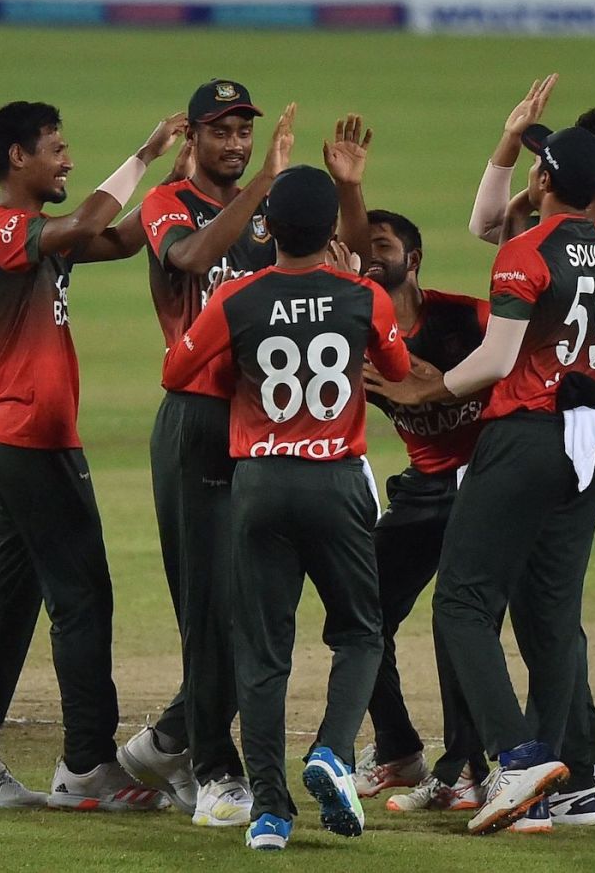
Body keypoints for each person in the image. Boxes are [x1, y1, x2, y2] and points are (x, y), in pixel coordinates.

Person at [121, 78, 372, 828]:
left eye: (244, 133)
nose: (235, 145)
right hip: (199, 419)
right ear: (192, 138)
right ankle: (214, 767)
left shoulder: (270, 214)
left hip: (268, 430)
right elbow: (194, 257)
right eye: (222, 132)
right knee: (211, 607)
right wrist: (264, 181)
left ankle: (167, 739)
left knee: (259, 610)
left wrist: (348, 192)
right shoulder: (169, 203)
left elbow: (349, 269)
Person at [0, 101, 185, 810]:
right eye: (57, 149)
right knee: (84, 596)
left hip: (20, 437)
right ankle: (87, 766)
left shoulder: (36, 235)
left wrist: (175, 192)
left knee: (10, 599)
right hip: (25, 438)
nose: (68, 160)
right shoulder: (4, 226)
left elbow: (126, 239)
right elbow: (83, 224)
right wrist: (147, 153)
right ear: (18, 158)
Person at [161, 164, 410, 850]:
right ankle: (332, 748)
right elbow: (394, 368)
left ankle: (270, 811)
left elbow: (177, 371)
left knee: (262, 651)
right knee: (360, 630)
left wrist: (236, 367)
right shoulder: (363, 297)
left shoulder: (238, 297)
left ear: (265, 227)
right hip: (334, 480)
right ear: (333, 230)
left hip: (259, 483)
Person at [390, 123, 595, 834]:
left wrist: (430, 390)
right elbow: (500, 222)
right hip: (593, 438)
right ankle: (554, 788)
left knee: (461, 600)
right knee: (550, 617)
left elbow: (496, 359)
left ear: (544, 181)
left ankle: (515, 760)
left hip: (525, 434)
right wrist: (518, 152)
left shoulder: (528, 251)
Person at [350, 209, 491, 814]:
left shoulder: (466, 318)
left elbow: (523, 364)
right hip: (425, 488)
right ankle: (398, 750)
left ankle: (464, 771)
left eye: (384, 245)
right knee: (361, 611)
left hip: (485, 483)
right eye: (366, 247)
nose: (372, 254)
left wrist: (446, 382)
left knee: (455, 620)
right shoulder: (361, 336)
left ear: (414, 260)